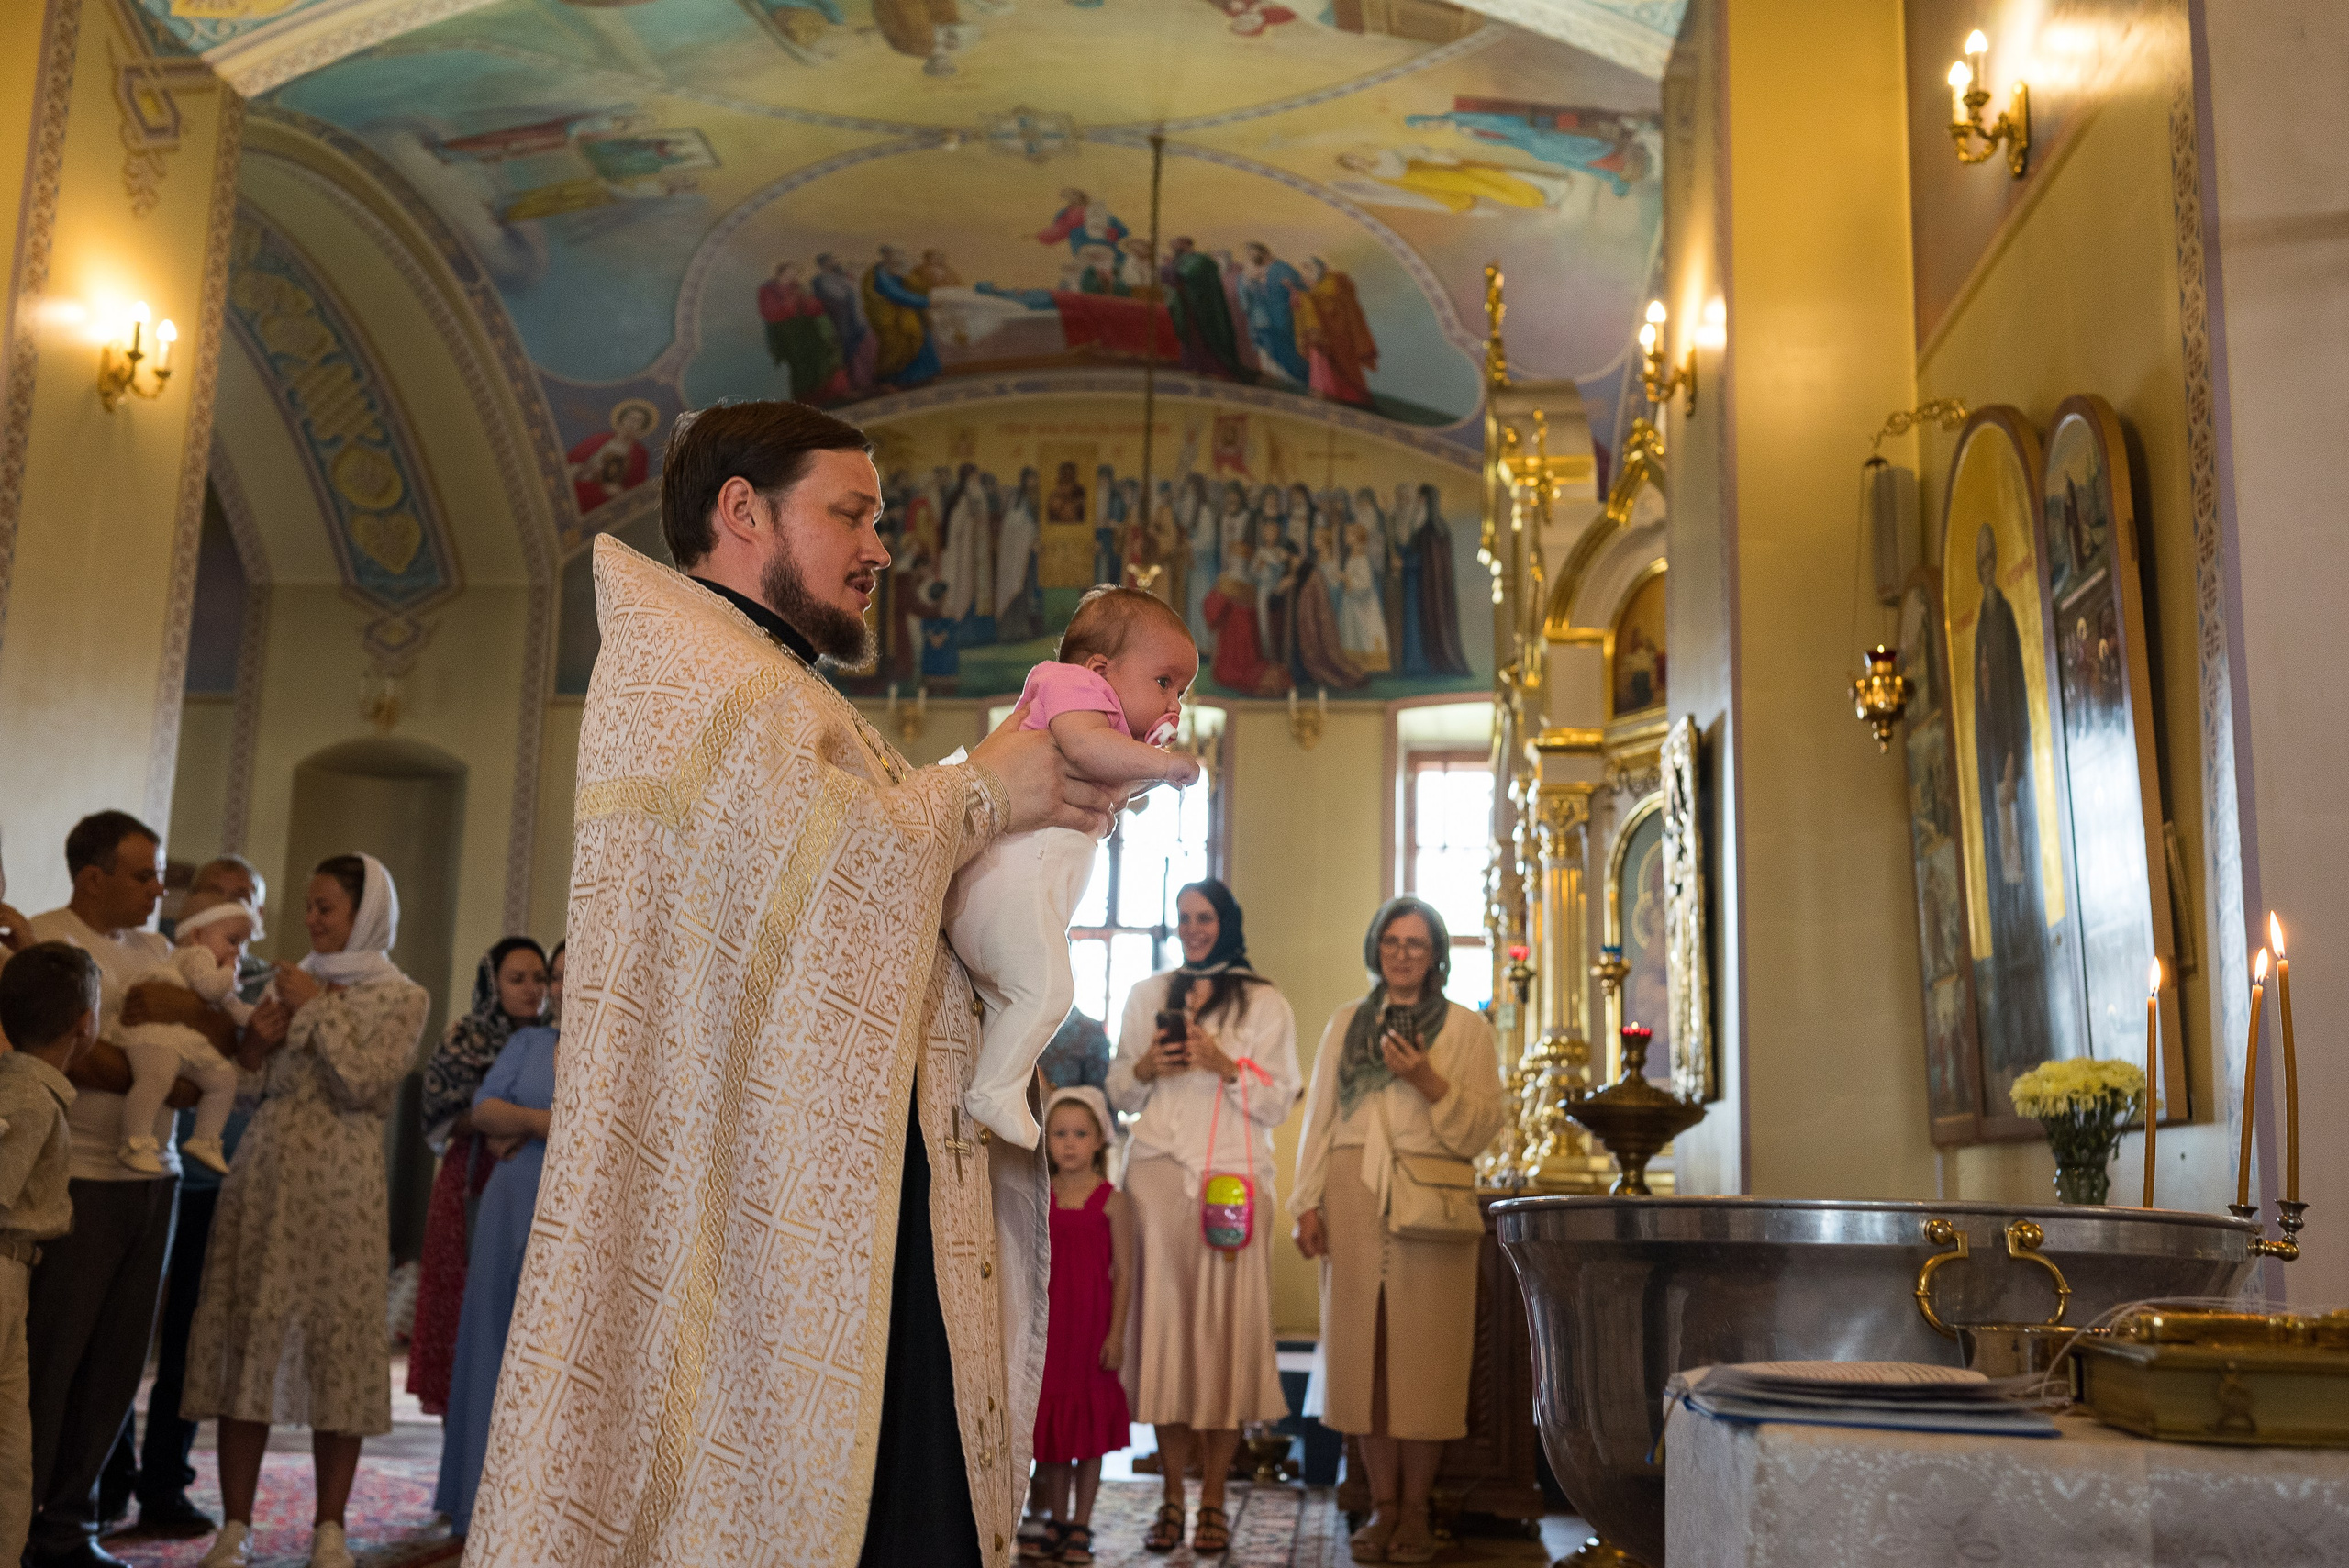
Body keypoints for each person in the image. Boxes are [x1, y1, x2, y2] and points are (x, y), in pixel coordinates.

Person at [465, 398, 1116, 1568]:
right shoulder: (702, 676)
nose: (880, 548)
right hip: (768, 1205)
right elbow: (836, 879)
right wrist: (978, 791)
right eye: (851, 514)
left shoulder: (770, 680)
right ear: (741, 511)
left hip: (838, 1185)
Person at [185, 853, 429, 1568]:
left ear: (366, 915)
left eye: (327, 907)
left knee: (337, 1343)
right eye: (311, 906)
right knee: (250, 1334)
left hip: (344, 1179)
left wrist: (317, 1008)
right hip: (266, 1169)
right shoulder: (286, 983)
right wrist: (255, 1045)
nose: (312, 920)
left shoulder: (402, 996)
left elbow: (362, 1082)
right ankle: (235, 1525)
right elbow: (253, 1078)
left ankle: (330, 1526)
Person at [24, 810, 224, 1568]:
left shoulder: (161, 948)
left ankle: (72, 1525)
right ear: (92, 877)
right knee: (57, 1354)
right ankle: (24, 1515)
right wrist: (157, 1057)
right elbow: (74, 1057)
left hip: (156, 1177)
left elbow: (211, 1054)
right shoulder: (48, 940)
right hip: (81, 1174)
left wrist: (158, 1049)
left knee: (118, 1363)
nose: (158, 887)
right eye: (144, 874)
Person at [1291, 898, 1505, 1565]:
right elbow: (1319, 1115)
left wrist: (1427, 1079)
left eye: (1417, 942)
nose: (1403, 952)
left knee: (1426, 1363)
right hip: (1351, 1192)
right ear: (1376, 948)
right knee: (1365, 1362)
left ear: (1436, 953)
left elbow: (1486, 1125)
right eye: (1392, 940)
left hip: (1433, 1197)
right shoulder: (1346, 1023)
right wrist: (1305, 1201)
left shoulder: (1469, 1028)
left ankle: (1418, 1511)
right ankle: (1383, 1506)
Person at [951, 585, 1202, 1150]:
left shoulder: (1105, 721)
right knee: (1049, 991)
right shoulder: (1071, 686)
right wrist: (1164, 766)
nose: (1175, 704)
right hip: (1008, 880)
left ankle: (993, 1082)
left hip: (1024, 889)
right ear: (1099, 667)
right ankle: (993, 1089)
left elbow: (1112, 782)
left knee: (1013, 998)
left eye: (1182, 692)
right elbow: (1087, 751)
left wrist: (1144, 771)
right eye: (1164, 682)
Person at [1107, 879, 1299, 1557]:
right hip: (1157, 1175)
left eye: (1205, 916)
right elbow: (1118, 1093)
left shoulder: (1266, 1001)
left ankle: (1214, 1497)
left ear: (1228, 921)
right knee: (1165, 1339)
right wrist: (1146, 1064)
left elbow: (1279, 1102)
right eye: (1184, 917)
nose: (1193, 927)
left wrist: (1224, 1064)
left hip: (1233, 1178)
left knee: (1223, 1339)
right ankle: (1169, 1494)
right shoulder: (1147, 994)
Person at [114, 857, 272, 1541]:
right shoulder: (158, 955)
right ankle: (105, 1476)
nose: (240, 915)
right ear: (195, 908)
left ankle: (165, 1483)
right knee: (125, 1331)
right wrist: (210, 1024)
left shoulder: (258, 981)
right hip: (151, 1168)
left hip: (223, 1184)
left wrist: (218, 1026)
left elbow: (251, 1059)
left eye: (250, 903)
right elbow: (147, 1012)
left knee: (190, 1338)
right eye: (227, 899)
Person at [430, 1005, 560, 1538]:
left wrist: (525, 1122)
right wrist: (540, 1123)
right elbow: (484, 1112)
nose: (561, 984)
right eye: (559, 974)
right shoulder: (530, 1042)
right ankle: (476, 1498)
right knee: (492, 1342)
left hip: (572, 1206)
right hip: (510, 1206)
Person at [406, 939, 549, 1418]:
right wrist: (506, 1121)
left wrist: (513, 1120)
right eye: (517, 980)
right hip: (469, 1180)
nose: (533, 990)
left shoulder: (555, 1039)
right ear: (493, 985)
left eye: (540, 978)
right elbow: (443, 1109)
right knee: (466, 1307)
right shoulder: (465, 1037)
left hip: (531, 1174)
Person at [0, 943, 100, 1564]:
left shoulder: (30, 1088)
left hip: (18, 1269)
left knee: (13, 1452)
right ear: (85, 1024)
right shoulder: (29, 1098)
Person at [1024, 1088, 1132, 1567]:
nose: (1069, 1143)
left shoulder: (1113, 1202)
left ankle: (1081, 1522)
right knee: (1051, 1429)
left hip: (1091, 1328)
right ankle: (1056, 1518)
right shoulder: (1037, 1196)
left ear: (1099, 1141)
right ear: (1047, 1141)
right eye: (1060, 1134)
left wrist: (1116, 1334)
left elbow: (1125, 1272)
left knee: (1087, 1432)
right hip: (1050, 1328)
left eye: (1080, 1134)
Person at [110, 903, 256, 1176]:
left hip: (181, 1042)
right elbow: (210, 989)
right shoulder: (195, 955)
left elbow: (232, 1008)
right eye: (232, 940)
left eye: (243, 945)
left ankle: (206, 1137)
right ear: (198, 935)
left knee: (224, 1079)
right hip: (154, 1036)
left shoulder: (213, 966)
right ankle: (134, 1141)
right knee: (156, 1079)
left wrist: (257, 1017)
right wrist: (228, 972)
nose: (237, 952)